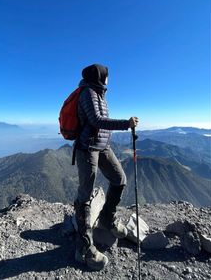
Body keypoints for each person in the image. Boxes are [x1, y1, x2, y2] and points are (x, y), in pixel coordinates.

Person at [74, 63, 139, 270]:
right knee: (85, 195)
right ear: (100, 76)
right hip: (87, 149)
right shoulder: (87, 93)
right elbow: (96, 120)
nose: (110, 78)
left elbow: (99, 123)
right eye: (108, 75)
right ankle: (84, 248)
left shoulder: (100, 94)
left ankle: (106, 220)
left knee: (119, 179)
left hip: (103, 147)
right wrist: (126, 124)